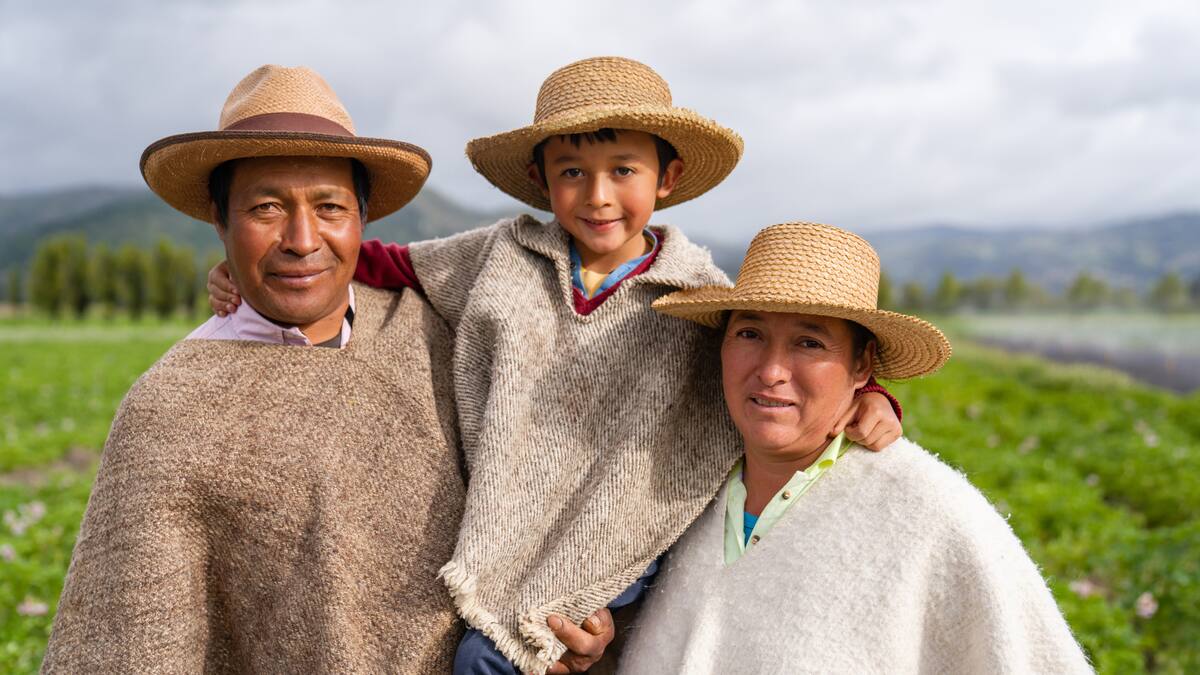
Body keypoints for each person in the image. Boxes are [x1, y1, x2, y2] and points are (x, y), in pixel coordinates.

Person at [207, 56, 907, 673]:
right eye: (573, 173)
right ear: (542, 181)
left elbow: (770, 351)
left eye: (622, 171)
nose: (597, 195)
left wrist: (871, 395)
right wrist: (269, 270)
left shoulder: (693, 294)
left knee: (496, 651)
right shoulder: (502, 256)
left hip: (617, 523)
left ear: (668, 176)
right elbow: (391, 264)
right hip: (511, 511)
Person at [43, 65, 602, 674]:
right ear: (218, 218)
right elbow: (128, 641)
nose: (303, 239)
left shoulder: (436, 333)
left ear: (363, 220)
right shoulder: (173, 407)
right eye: (266, 208)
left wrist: (571, 625)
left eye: (330, 207)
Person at [619, 222, 1092, 673]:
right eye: (749, 334)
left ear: (863, 366)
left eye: (809, 342)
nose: (771, 370)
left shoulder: (933, 514)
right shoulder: (682, 478)